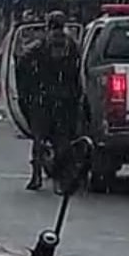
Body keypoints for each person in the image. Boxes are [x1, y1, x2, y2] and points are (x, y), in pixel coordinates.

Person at [19, 10, 82, 192]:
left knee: (39, 139)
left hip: (43, 99)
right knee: (62, 140)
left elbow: (23, 63)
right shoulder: (72, 46)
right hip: (65, 99)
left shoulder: (40, 46)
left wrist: (31, 87)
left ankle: (37, 176)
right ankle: (60, 181)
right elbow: (79, 70)